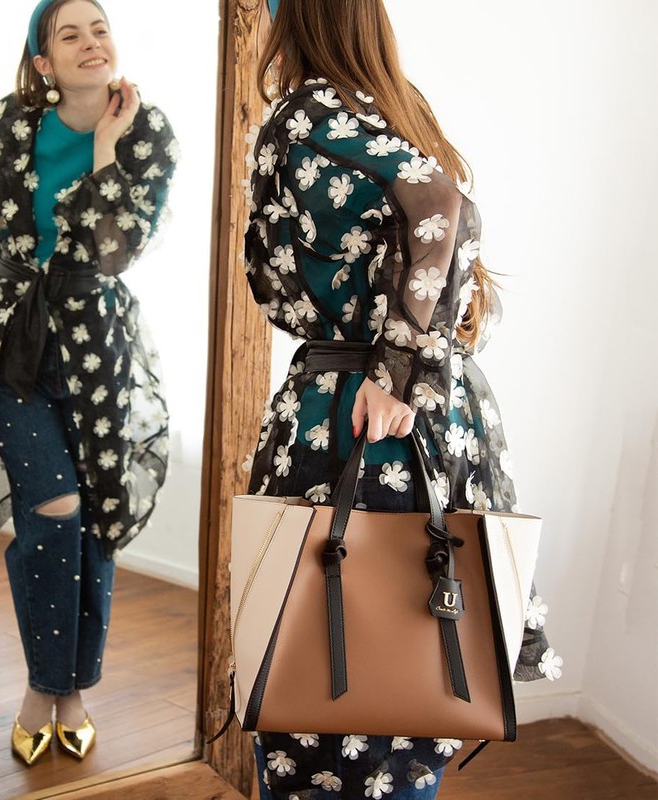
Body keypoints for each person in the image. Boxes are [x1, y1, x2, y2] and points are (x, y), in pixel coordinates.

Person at [243, 0, 560, 797]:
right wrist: (414, 362)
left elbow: (436, 205)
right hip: (436, 417)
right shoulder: (393, 105)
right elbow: (445, 216)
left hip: (355, 412)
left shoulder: (305, 113)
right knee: (419, 671)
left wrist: (393, 372)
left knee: (328, 684)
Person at [0, 0, 178, 766]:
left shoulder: (148, 134)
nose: (90, 43)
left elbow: (115, 251)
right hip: (12, 343)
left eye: (100, 28)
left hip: (97, 348)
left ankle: (74, 691)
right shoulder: (6, 126)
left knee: (96, 517)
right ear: (43, 62)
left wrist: (107, 151)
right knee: (54, 508)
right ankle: (43, 684)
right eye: (69, 34)